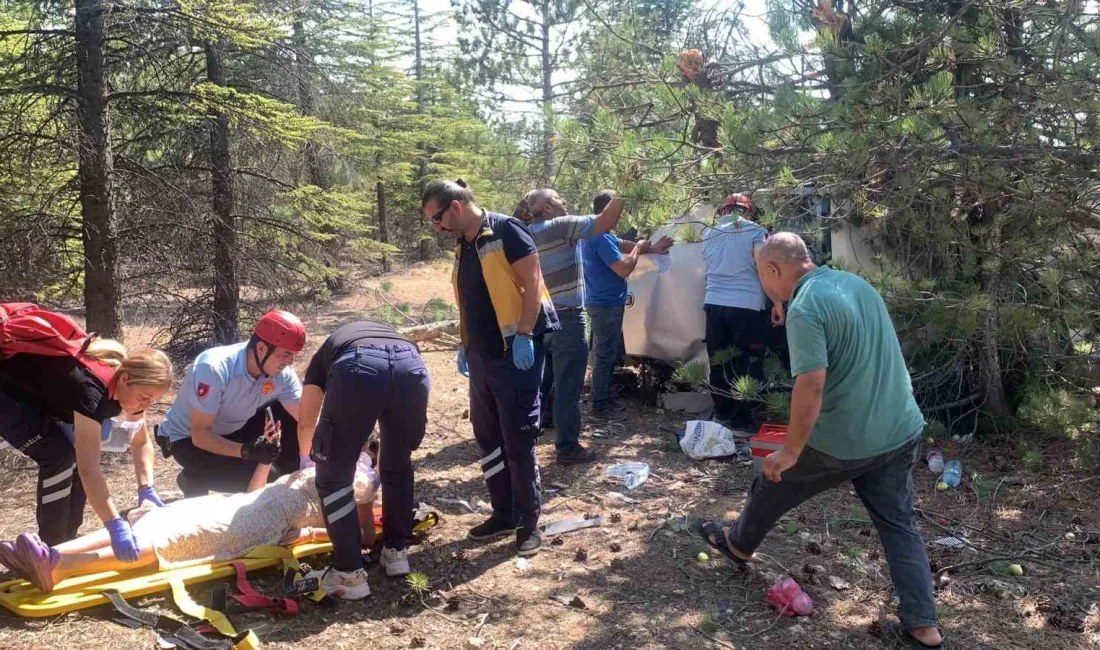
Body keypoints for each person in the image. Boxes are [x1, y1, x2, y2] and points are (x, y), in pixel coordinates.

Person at [699, 233, 943, 650]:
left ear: (774, 270)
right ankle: (924, 627)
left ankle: (738, 545)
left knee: (773, 479)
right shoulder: (854, 285)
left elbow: (810, 385)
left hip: (846, 440)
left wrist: (791, 450)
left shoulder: (807, 308)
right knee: (899, 524)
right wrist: (782, 304)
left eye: (762, 276)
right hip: (899, 429)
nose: (762, 285)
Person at [0, 454, 380, 596]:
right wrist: (264, 461)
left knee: (176, 539)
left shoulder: (361, 479)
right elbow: (257, 491)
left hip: (266, 521)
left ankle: (61, 568)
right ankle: (50, 553)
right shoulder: (322, 463)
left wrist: (309, 534)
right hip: (247, 503)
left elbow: (362, 536)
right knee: (161, 518)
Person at [422, 178, 558, 557]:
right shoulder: (464, 245)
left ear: (456, 207)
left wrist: (525, 334)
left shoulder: (506, 229)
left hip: (515, 351)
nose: (436, 227)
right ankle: (503, 512)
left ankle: (529, 523)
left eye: (437, 218)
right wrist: (467, 346)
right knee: (487, 435)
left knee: (518, 436)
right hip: (481, 354)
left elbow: (532, 283)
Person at [0, 315, 174, 560]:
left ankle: (64, 545)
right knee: (59, 457)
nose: (145, 405)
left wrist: (147, 488)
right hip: (7, 396)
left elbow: (141, 441)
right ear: (125, 379)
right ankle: (50, 552)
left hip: (28, 397)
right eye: (145, 398)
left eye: (152, 401)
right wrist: (114, 524)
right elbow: (90, 470)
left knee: (73, 454)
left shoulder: (125, 385)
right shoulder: (92, 392)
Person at [297, 320, 430, 597]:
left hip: (358, 369)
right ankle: (396, 553)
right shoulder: (383, 335)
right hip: (412, 365)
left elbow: (306, 421)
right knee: (398, 466)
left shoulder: (323, 357)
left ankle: (348, 574)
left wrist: (311, 461)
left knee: (333, 479)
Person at [521, 187, 629, 463]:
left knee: (543, 381)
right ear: (546, 208)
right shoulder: (559, 226)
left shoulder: (527, 233)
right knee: (568, 385)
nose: (564, 201)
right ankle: (567, 447)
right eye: (558, 199)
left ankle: (531, 433)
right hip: (567, 318)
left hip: (537, 317)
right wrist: (625, 191)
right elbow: (604, 223)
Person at [159, 310, 307, 497]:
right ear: (261, 348)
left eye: (293, 355)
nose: (290, 362)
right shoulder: (214, 368)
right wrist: (248, 451)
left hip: (234, 427)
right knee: (269, 477)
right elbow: (201, 435)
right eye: (285, 354)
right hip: (188, 440)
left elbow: (306, 418)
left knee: (291, 425)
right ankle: (193, 476)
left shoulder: (283, 372)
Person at [581, 189, 673, 418]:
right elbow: (623, 268)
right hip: (606, 305)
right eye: (618, 211)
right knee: (605, 355)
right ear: (607, 210)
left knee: (606, 353)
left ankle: (602, 400)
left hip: (604, 302)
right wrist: (640, 249)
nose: (620, 216)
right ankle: (600, 406)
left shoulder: (598, 233)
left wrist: (649, 247)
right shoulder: (599, 237)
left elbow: (622, 244)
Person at [701, 192, 779, 433]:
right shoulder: (755, 231)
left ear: (724, 210)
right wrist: (777, 302)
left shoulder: (707, 233)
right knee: (747, 361)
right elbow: (763, 268)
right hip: (746, 305)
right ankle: (742, 420)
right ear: (747, 211)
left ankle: (722, 414)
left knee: (719, 361)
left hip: (713, 303)